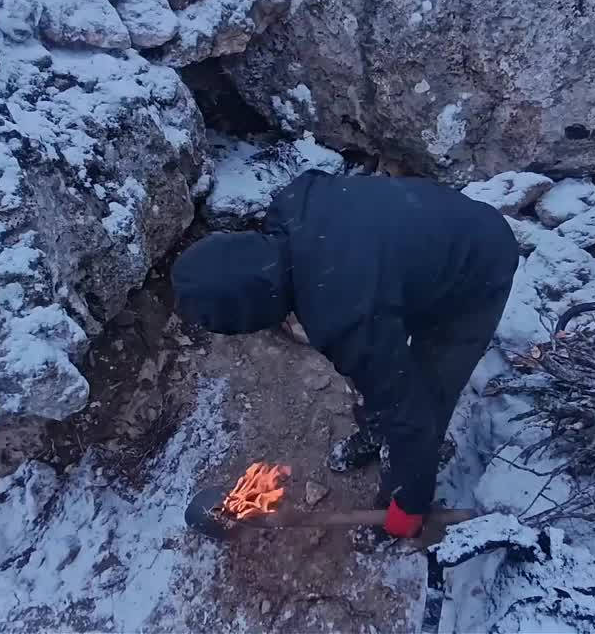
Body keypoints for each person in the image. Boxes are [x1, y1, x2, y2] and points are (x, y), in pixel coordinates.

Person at [171, 169, 518, 539]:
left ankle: (397, 502)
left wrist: (409, 506)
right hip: (429, 236)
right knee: (378, 374)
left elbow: (409, 412)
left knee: (426, 393)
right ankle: (376, 436)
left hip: (478, 266)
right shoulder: (292, 207)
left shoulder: (344, 311)